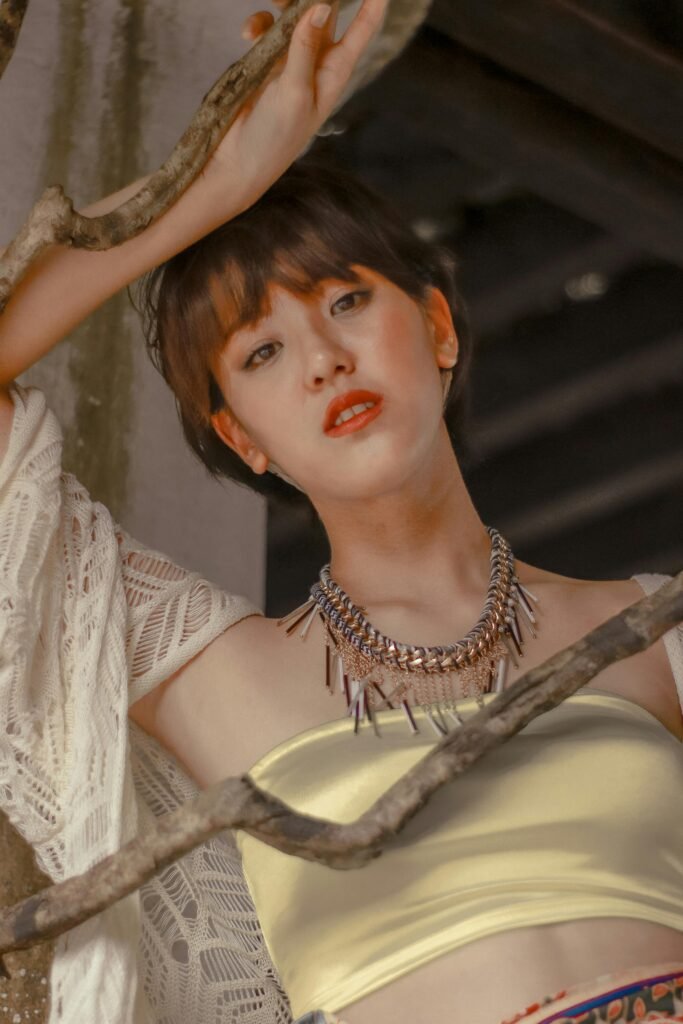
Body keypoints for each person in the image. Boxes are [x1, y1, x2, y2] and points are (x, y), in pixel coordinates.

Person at [1, 2, 682, 1023]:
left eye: (345, 299)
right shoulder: (214, 673)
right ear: (243, 438)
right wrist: (215, 183)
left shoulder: (656, 632)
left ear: (438, 327)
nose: (321, 356)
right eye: (261, 351)